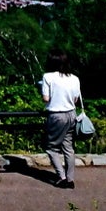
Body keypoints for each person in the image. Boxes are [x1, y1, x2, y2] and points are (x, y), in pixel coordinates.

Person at [40, 51, 85, 189]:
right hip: (71, 114)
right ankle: (70, 179)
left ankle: (61, 177)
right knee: (68, 148)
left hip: (56, 115)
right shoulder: (74, 78)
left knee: (51, 148)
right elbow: (75, 99)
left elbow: (46, 98)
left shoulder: (47, 77)